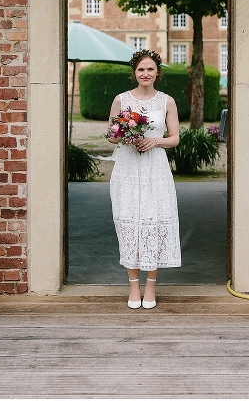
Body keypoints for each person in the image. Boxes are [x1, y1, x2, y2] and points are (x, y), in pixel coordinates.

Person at [106, 49, 181, 310]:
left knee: (154, 223)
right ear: (134, 73)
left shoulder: (167, 101)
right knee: (128, 224)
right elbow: (111, 135)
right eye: (140, 69)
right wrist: (122, 131)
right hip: (127, 168)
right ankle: (133, 285)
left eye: (150, 69)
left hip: (155, 169)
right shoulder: (120, 100)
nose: (145, 73)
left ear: (157, 72)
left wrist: (155, 140)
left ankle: (150, 286)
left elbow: (175, 138)